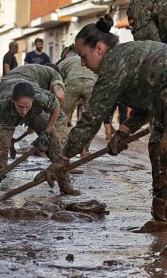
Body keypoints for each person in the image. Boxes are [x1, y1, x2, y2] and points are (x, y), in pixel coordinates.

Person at [46, 14, 167, 222]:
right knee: (158, 150)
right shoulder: (125, 57)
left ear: (99, 48)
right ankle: (162, 218)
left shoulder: (113, 65)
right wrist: (123, 132)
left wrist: (63, 158)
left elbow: (91, 118)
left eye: (83, 56)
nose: (82, 64)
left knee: (164, 154)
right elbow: (147, 104)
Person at [0, 79, 78, 195]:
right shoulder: (1, 105)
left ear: (33, 101)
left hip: (35, 111)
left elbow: (56, 109)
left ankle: (65, 182)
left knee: (53, 139)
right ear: (12, 100)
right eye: (20, 107)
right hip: (1, 102)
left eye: (27, 107)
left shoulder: (41, 98)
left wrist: (46, 134)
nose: (24, 111)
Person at [1, 64, 67, 142]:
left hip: (5, 86)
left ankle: (4, 147)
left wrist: (31, 125)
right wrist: (55, 115)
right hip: (25, 87)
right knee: (60, 116)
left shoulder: (36, 72)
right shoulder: (55, 75)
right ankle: (53, 147)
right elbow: (60, 96)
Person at [57, 44, 97, 156]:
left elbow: (57, 81)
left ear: (65, 54)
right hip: (91, 84)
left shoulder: (65, 62)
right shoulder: (88, 59)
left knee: (59, 115)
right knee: (92, 118)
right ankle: (85, 149)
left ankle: (61, 148)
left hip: (72, 84)